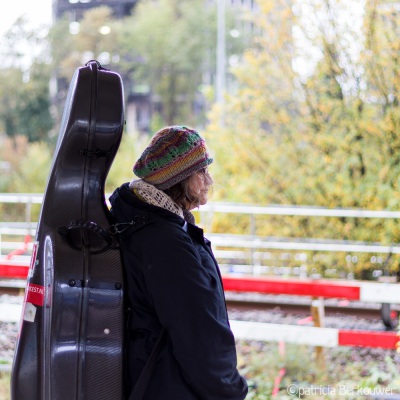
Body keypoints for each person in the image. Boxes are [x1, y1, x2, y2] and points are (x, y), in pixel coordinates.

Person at [109, 125, 248, 400]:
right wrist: (232, 391)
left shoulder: (150, 223)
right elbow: (199, 336)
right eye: (202, 171)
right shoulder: (165, 242)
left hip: (159, 381)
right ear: (181, 179)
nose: (209, 179)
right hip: (172, 387)